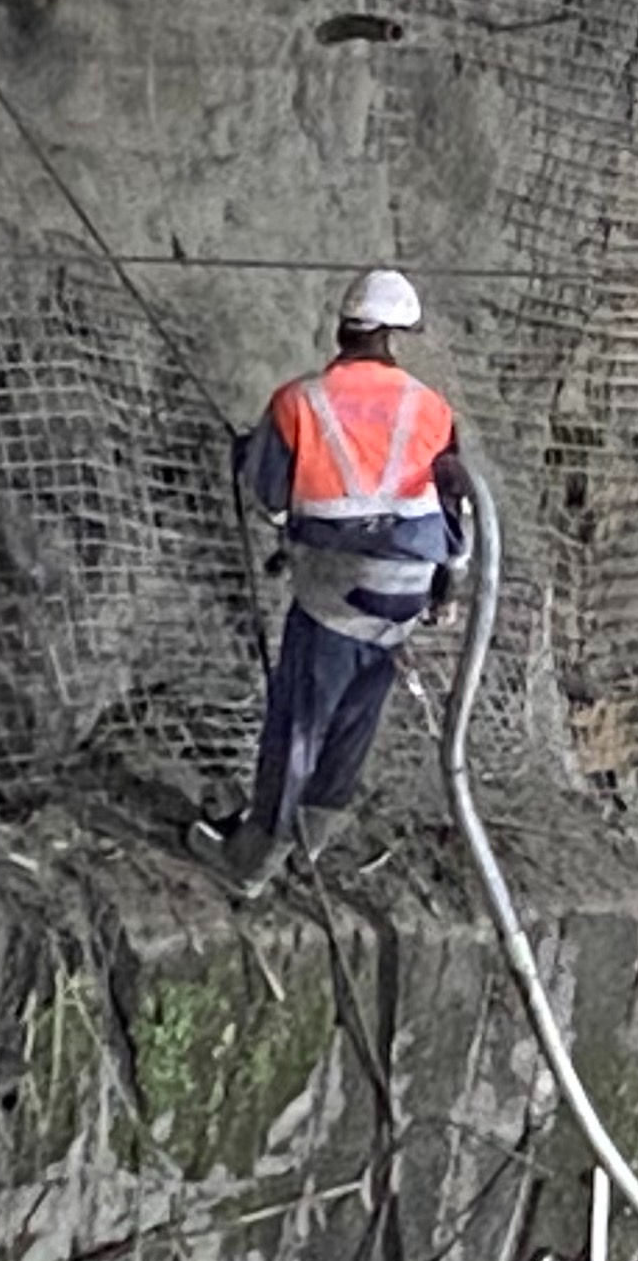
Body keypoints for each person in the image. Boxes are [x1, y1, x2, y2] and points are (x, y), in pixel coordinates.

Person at [190, 271, 475, 888]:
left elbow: (271, 502)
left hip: (334, 593)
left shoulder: (300, 402)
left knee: (300, 720)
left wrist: (248, 455)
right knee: (355, 718)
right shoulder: (432, 407)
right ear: (395, 338)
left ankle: (254, 858)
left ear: (343, 329)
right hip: (407, 591)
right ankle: (311, 846)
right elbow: (455, 500)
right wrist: (446, 584)